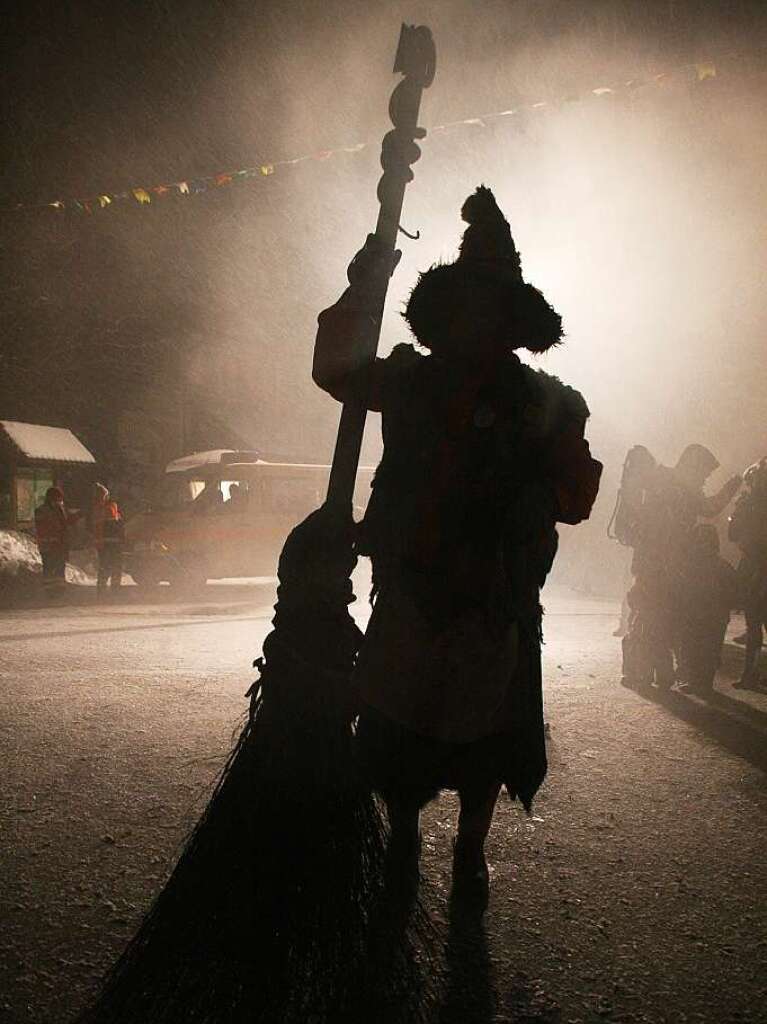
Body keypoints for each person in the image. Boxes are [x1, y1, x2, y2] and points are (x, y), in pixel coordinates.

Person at [313, 186, 602, 908]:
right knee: (397, 723)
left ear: (512, 323)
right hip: (412, 583)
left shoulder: (548, 402)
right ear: (442, 314)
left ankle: (470, 850)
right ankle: (405, 835)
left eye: (490, 309)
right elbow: (336, 371)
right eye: (463, 306)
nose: (475, 321)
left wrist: (538, 484)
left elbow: (576, 502)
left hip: (495, 595)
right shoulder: (407, 380)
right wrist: (362, 284)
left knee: (485, 740)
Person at [622, 444, 740, 689]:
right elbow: (709, 508)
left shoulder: (664, 480)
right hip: (665, 565)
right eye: (704, 474)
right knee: (658, 616)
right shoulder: (682, 488)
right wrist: (732, 486)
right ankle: (652, 672)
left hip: (652, 562)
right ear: (693, 466)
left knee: (651, 615)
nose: (704, 480)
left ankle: (648, 672)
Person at [676, 524, 739, 696]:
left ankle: (694, 679)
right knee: (707, 649)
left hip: (700, 614)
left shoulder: (687, 566)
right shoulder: (723, 566)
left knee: (694, 646)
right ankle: (702, 681)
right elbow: (734, 593)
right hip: (712, 616)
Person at [728, 457, 767, 690]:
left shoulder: (747, 502)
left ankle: (750, 674)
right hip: (756, 564)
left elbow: (733, 533)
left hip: (754, 564)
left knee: (753, 624)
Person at [34, 485, 81, 592]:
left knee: (58, 568)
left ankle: (58, 590)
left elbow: (66, 522)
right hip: (51, 545)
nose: (60, 500)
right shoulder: (44, 510)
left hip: (58, 545)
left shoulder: (59, 509)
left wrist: (77, 516)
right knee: (51, 569)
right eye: (59, 498)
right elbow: (50, 526)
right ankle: (51, 591)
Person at [90, 483, 126, 596]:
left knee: (105, 567)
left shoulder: (96, 509)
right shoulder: (110, 508)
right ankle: (115, 590)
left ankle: (102, 590)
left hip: (103, 544)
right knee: (115, 566)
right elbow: (116, 525)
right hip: (113, 543)